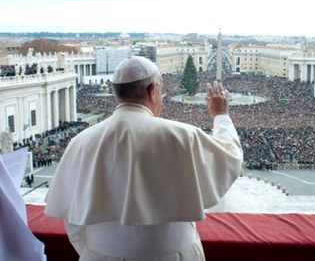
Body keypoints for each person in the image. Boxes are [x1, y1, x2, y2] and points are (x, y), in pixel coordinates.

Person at [45, 56, 243, 261]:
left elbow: (73, 222)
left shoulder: (80, 142)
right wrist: (221, 116)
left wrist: (102, 252)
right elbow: (231, 157)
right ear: (152, 90)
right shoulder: (183, 135)